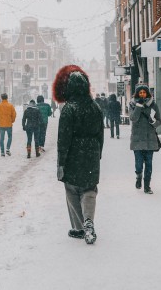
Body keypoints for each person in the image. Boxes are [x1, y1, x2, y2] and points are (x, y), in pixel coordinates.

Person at [53, 65, 104, 245]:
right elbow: (100, 133)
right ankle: (89, 220)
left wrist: (61, 162)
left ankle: (79, 227)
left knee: (72, 189)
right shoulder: (95, 107)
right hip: (92, 151)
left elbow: (63, 138)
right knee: (89, 188)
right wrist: (98, 154)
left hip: (74, 151)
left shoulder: (69, 108)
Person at [129, 84, 161, 194]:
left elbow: (159, 120)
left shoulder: (153, 105)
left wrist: (154, 123)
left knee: (149, 164)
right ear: (137, 94)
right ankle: (138, 176)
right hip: (137, 140)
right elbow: (133, 118)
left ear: (147, 93)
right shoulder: (133, 105)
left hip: (149, 139)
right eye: (140, 93)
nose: (142, 95)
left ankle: (147, 186)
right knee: (138, 164)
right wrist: (138, 106)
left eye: (144, 92)